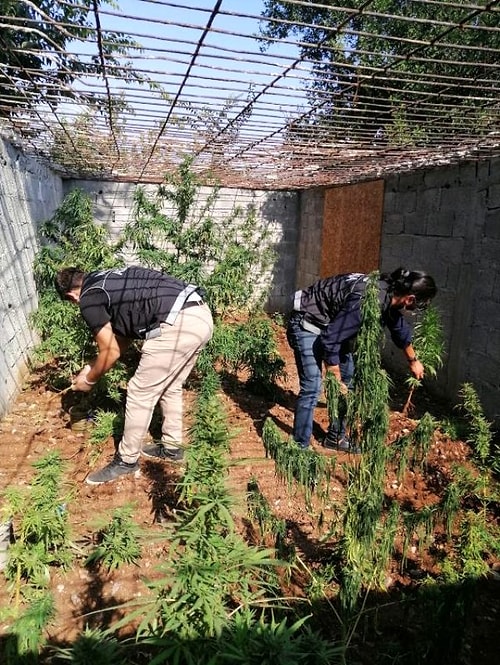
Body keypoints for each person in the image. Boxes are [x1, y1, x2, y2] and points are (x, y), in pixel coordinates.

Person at [55, 265, 214, 485]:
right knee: (171, 386)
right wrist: (91, 368)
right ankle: (172, 448)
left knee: (140, 391)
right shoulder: (109, 279)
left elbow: (109, 351)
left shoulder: (89, 297)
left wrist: (89, 381)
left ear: (71, 295)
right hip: (199, 314)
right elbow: (119, 344)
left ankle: (126, 461)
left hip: (177, 323)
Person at [286, 268, 437, 453]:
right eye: (420, 303)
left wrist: (413, 361)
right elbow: (330, 339)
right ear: (410, 298)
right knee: (312, 386)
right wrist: (334, 376)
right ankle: (299, 447)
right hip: (307, 322)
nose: (418, 308)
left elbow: (398, 328)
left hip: (333, 324)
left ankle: (336, 437)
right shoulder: (370, 300)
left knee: (348, 380)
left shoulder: (389, 293)